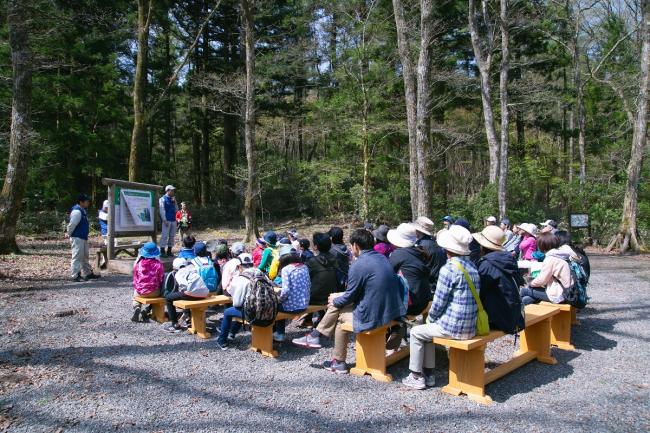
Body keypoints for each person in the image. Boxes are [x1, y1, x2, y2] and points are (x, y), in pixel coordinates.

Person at [292, 229, 405, 374]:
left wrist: (336, 299)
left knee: (339, 314)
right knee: (337, 304)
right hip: (391, 310)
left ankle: (333, 355)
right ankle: (319, 340)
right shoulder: (382, 258)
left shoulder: (359, 265)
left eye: (352, 246)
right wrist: (339, 297)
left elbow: (350, 296)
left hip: (376, 315)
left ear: (356, 246)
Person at [402, 225, 479, 390]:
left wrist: (431, 317)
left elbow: (438, 302)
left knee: (416, 332)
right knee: (427, 331)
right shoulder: (472, 267)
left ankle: (416, 376)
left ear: (447, 249)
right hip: (470, 326)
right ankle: (429, 374)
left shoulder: (449, 269)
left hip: (454, 327)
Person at [473, 226, 525, 334]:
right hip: (513, 315)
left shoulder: (487, 264)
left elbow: (478, 293)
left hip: (499, 319)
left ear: (482, 246)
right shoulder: (508, 259)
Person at [163, 245, 211, 333]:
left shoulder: (178, 273)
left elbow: (184, 288)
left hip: (193, 293)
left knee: (169, 298)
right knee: (183, 294)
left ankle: (175, 325)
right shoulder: (191, 268)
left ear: (175, 267)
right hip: (204, 293)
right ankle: (187, 316)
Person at [387, 223, 432, 316]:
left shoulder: (399, 254)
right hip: (425, 299)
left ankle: (395, 329)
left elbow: (386, 274)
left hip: (412, 306)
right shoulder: (419, 251)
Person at [215, 253, 255, 350]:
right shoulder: (260, 273)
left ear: (239, 265)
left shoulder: (242, 278)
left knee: (228, 312)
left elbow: (237, 303)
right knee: (241, 309)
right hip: (267, 309)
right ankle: (232, 332)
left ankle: (222, 340)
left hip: (253, 311)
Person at [520, 233, 572, 305]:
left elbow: (541, 280)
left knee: (523, 291)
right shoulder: (561, 255)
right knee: (527, 299)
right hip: (567, 291)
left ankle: (514, 314)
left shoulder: (551, 258)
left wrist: (530, 283)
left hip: (559, 294)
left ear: (542, 245)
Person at [272, 245, 311, 342]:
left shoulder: (286, 269)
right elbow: (309, 285)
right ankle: (278, 332)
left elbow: (285, 291)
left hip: (292, 307)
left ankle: (278, 333)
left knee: (273, 305)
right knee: (280, 302)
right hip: (304, 305)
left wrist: (278, 299)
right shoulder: (304, 267)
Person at [66, 193, 100, 282]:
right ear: (81, 202)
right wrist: (68, 233)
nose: (88, 202)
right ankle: (75, 275)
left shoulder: (82, 211)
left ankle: (88, 273)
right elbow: (72, 224)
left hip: (82, 237)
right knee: (77, 256)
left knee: (85, 256)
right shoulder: (77, 211)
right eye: (86, 201)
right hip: (77, 237)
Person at [132, 242, 165, 322]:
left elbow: (135, 279)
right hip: (154, 292)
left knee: (135, 298)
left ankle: (137, 306)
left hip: (141, 292)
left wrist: (138, 287)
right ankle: (147, 310)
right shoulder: (158, 265)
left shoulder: (138, 264)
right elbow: (161, 278)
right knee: (158, 291)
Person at [412, 217, 445, 293]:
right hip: (437, 282)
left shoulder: (421, 246)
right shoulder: (432, 242)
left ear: (418, 231)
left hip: (431, 285)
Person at [159, 185, 177, 257]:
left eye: (173, 190)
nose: (173, 191)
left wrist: (178, 217)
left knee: (172, 236)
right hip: (166, 220)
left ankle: (169, 251)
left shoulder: (173, 199)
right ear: (167, 191)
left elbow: (176, 208)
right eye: (172, 190)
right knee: (164, 236)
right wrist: (164, 219)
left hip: (173, 220)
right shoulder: (162, 199)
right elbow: (162, 210)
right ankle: (162, 251)